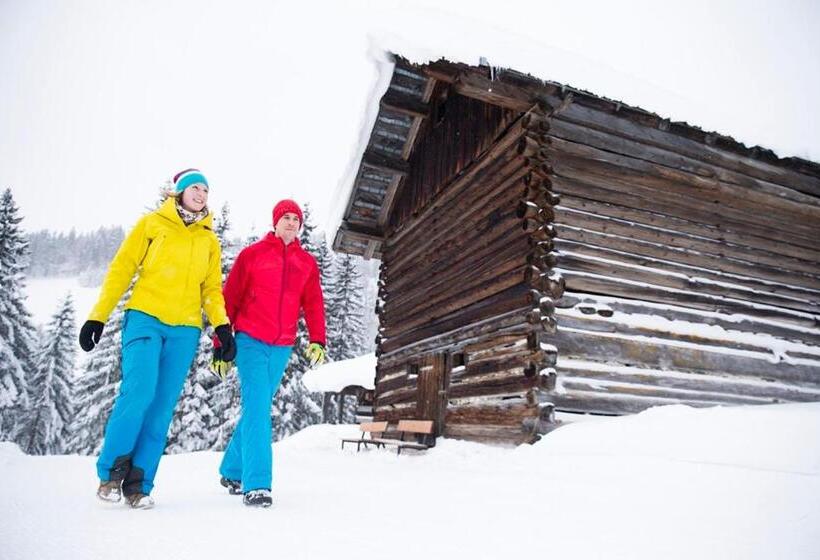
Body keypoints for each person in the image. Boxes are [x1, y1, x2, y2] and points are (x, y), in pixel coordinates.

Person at [79, 168, 236, 509]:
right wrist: (98, 315)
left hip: (185, 329)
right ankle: (111, 472)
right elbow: (122, 268)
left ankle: (139, 483)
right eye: (194, 187)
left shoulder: (208, 239)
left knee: (162, 407)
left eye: (206, 190)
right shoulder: (152, 225)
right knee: (139, 391)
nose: (201, 194)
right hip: (145, 319)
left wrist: (222, 326)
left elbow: (210, 289)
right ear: (178, 191)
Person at [212, 199, 326, 508]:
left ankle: (232, 470)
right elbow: (229, 299)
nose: (291, 222)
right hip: (249, 340)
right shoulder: (253, 255)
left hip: (282, 347)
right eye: (285, 217)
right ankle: (257, 484)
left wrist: (318, 339)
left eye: (295, 218)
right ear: (275, 222)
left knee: (257, 408)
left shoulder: (306, 263)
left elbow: (313, 303)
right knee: (259, 409)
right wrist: (220, 346)